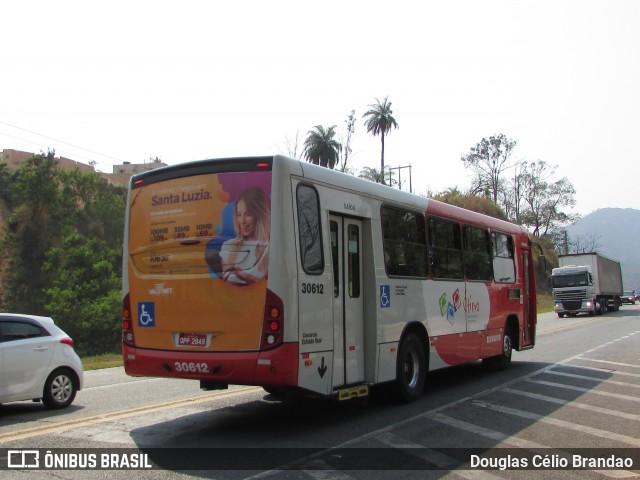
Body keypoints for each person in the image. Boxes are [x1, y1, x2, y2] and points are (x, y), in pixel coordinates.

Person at [218, 186, 270, 285]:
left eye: (248, 214)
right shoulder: (228, 246)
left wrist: (244, 276)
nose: (242, 221)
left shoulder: (270, 248)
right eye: (239, 215)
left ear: (259, 215)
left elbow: (270, 286)